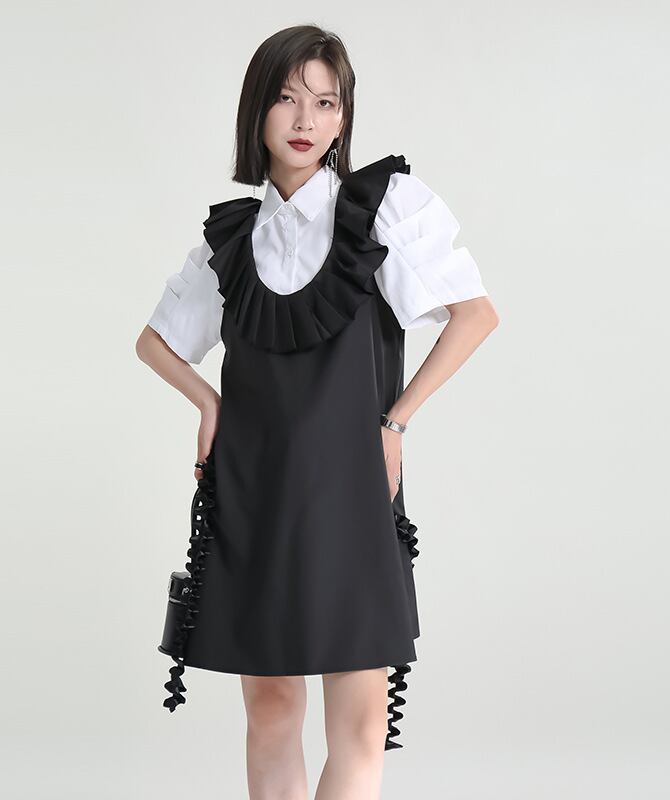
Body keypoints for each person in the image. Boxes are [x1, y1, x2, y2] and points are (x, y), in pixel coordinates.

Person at [136, 23, 499, 800]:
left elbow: (475, 315)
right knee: (271, 711)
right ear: (257, 111)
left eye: (326, 102)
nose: (306, 120)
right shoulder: (233, 241)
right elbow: (155, 342)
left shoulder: (384, 210)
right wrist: (207, 402)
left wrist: (395, 423)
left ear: (343, 117)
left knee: (360, 725)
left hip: (353, 488)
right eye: (287, 99)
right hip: (253, 489)